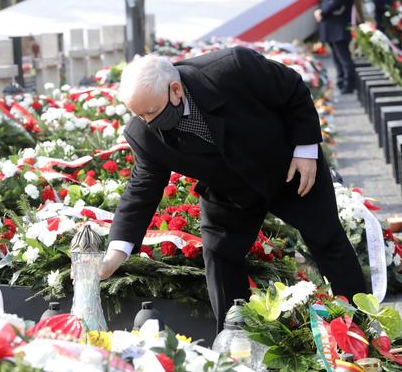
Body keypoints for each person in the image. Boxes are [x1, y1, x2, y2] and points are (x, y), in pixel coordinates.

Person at [98, 49, 366, 333]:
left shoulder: (232, 69)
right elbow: (142, 188)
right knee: (220, 255)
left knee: (326, 238)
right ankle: (234, 338)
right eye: (138, 115)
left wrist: (305, 149)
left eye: (151, 112)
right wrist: (116, 253)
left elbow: (292, 89)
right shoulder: (143, 132)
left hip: (287, 166)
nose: (147, 122)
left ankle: (359, 326)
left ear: (175, 90)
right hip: (228, 189)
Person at [315, 0, 356, 94]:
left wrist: (322, 12)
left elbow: (335, 3)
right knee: (337, 59)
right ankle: (341, 82)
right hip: (332, 30)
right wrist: (320, 10)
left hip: (339, 29)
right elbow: (326, 2)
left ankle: (349, 84)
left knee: (344, 58)